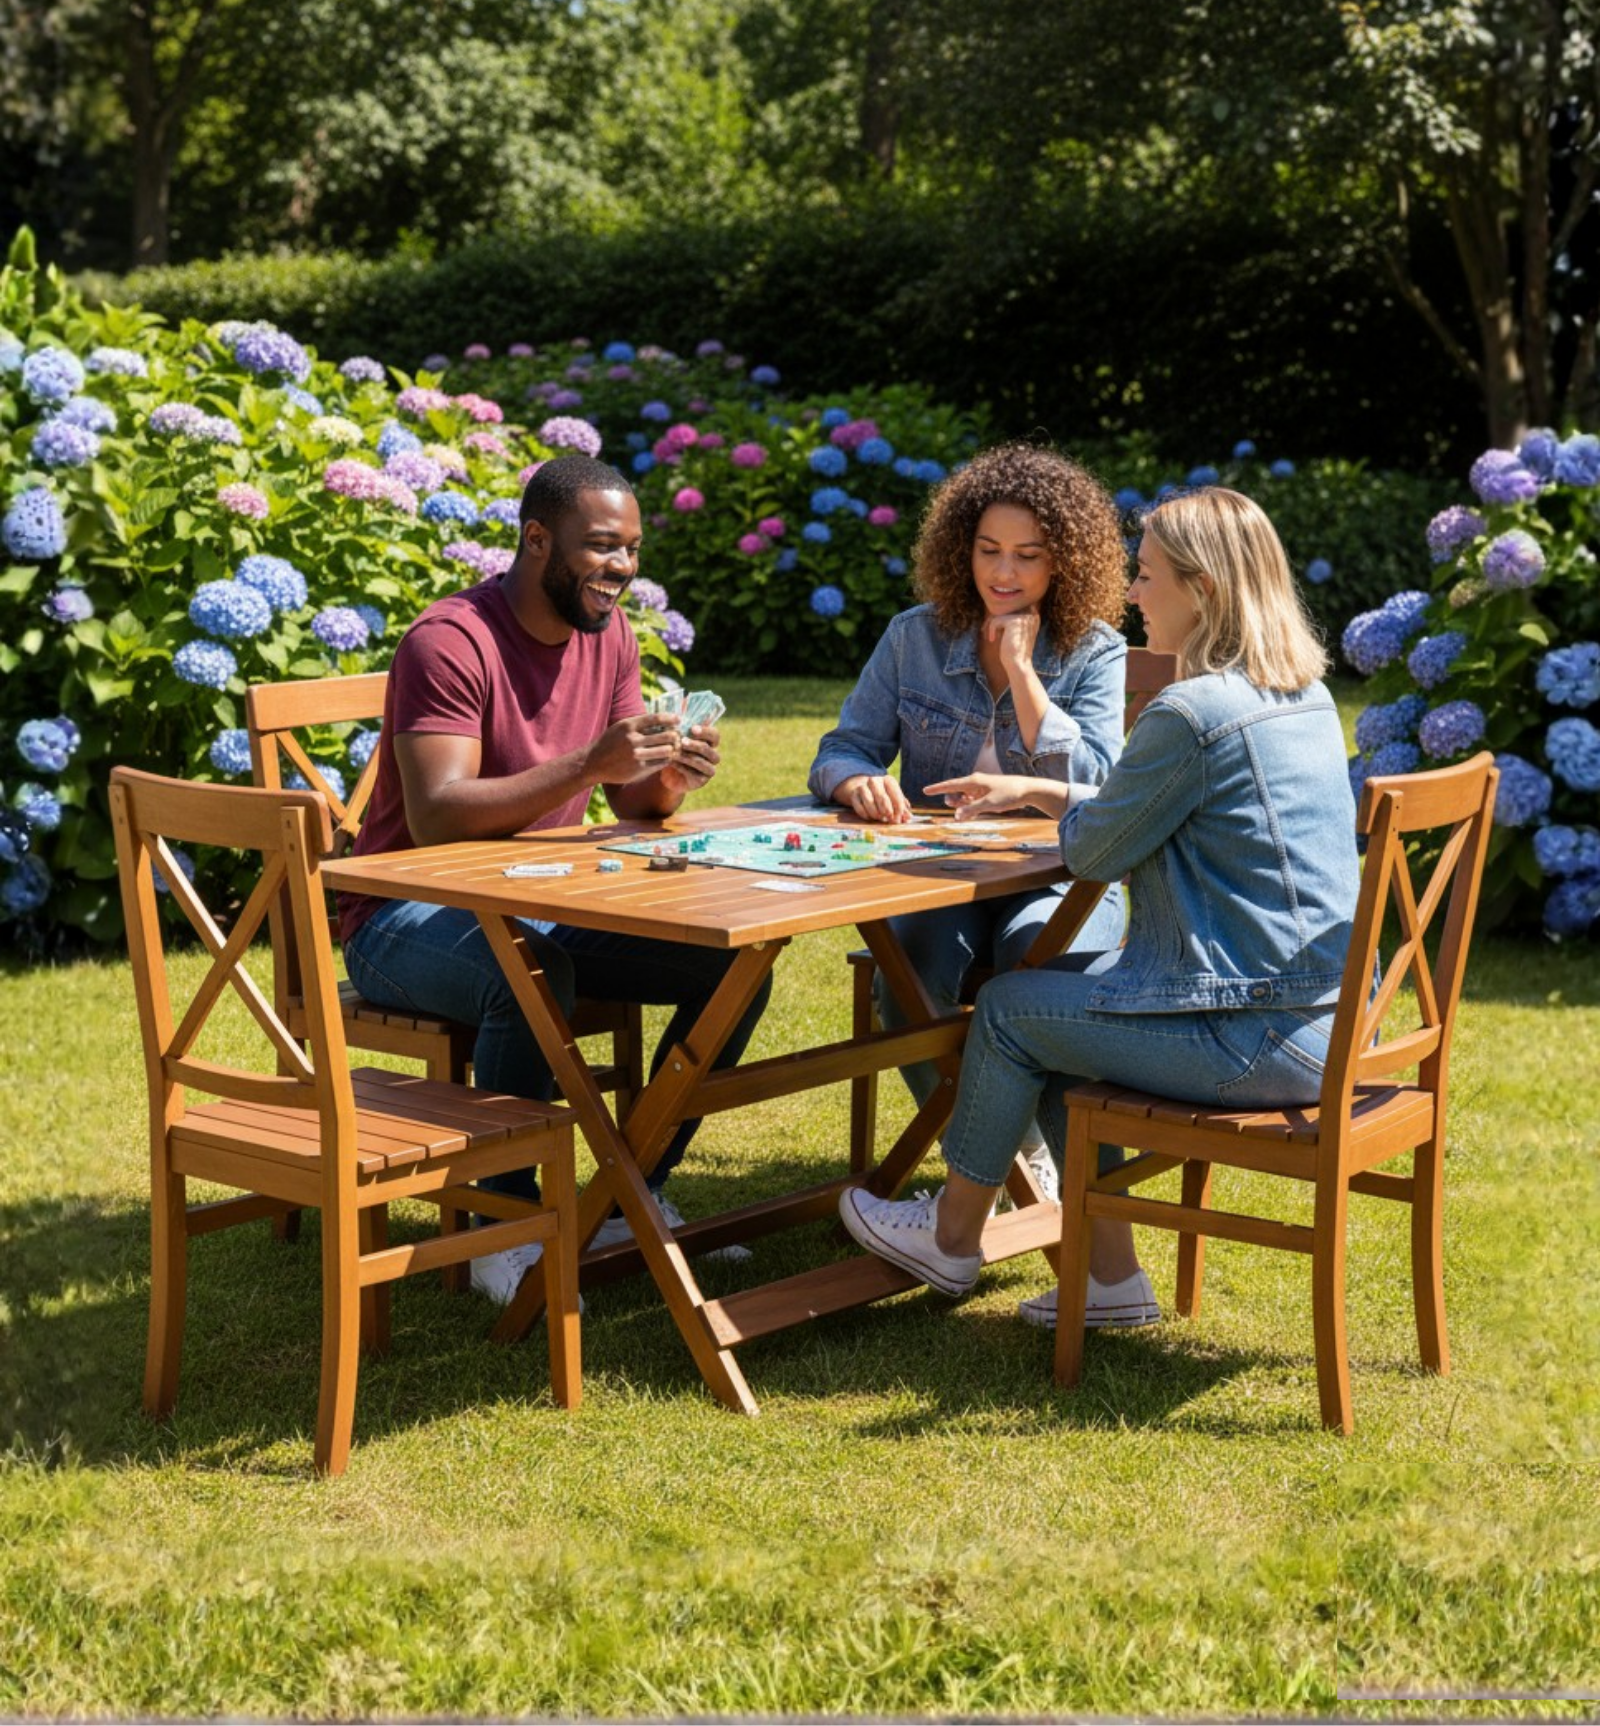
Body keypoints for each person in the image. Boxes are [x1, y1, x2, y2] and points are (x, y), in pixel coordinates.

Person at [838, 485, 1360, 1332]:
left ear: (1204, 589)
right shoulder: (1303, 696)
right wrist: (1044, 788)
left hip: (1247, 1034)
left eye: (1147, 575)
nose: (1130, 592)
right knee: (1062, 997)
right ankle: (1113, 1280)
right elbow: (1127, 807)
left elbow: (1097, 851)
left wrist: (1057, 800)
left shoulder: (1192, 711)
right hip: (1326, 1025)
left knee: (1014, 1010)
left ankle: (951, 1237)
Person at [340, 454, 771, 1303]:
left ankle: (626, 1192)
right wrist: (587, 763)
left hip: (541, 899)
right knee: (536, 974)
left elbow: (632, 795)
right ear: (538, 540)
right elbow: (436, 815)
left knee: (734, 966)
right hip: (400, 916)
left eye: (633, 550)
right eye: (603, 547)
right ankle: (502, 1226)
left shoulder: (607, 635)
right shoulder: (449, 641)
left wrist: (672, 774)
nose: (623, 570)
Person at [807, 442, 1131, 1202]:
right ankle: (1007, 1163)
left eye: (1027, 556)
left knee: (1044, 977)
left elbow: (1103, 788)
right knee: (905, 985)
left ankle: (1043, 1177)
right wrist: (856, 781)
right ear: (962, 547)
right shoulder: (913, 636)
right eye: (989, 551)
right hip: (941, 876)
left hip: (1061, 874)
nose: (1004, 574)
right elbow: (843, 747)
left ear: (1065, 563)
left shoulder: (1095, 651)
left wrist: (1022, 673)